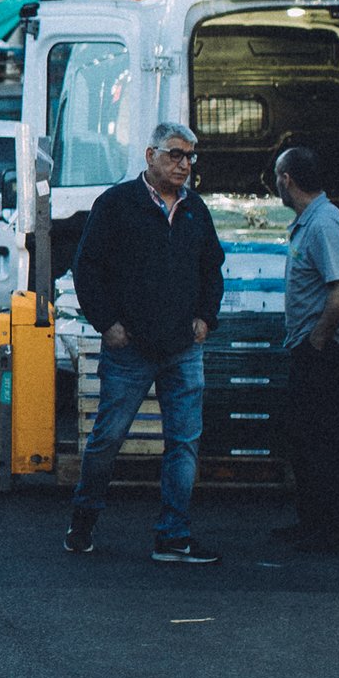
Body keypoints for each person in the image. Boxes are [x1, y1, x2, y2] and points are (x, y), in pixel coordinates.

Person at [66, 121, 225, 563]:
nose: (184, 164)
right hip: (130, 348)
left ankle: (173, 535)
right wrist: (107, 323)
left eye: (191, 157)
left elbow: (213, 268)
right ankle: (83, 521)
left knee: (183, 442)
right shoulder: (117, 204)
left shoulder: (195, 211)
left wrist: (205, 318)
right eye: (175, 154)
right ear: (150, 155)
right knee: (108, 438)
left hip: (183, 349)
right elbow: (88, 268)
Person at [271, 145, 339, 552]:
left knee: (325, 443)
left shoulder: (324, 223)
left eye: (277, 178)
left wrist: (317, 339)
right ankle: (312, 524)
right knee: (305, 440)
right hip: (311, 347)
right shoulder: (311, 221)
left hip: (324, 351)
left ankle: (332, 531)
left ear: (287, 179)